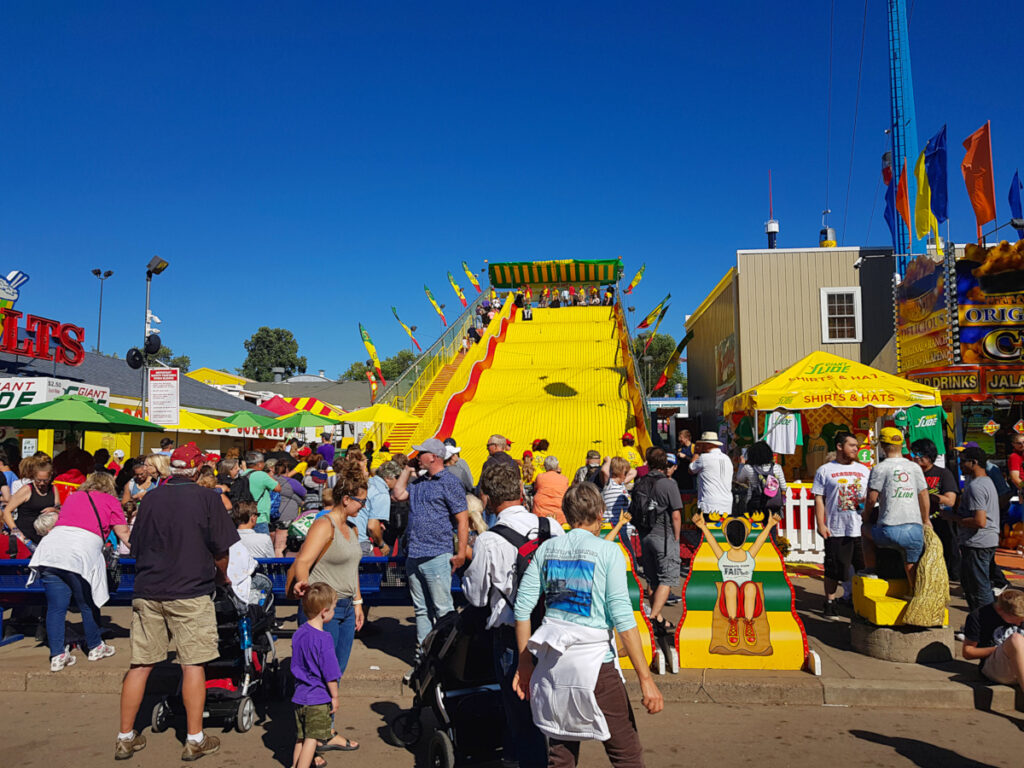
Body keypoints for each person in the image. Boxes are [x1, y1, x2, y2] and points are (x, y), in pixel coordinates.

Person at [512, 483, 663, 767]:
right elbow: (623, 620)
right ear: (600, 513)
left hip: (551, 664)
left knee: (561, 752)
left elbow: (522, 608)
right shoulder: (609, 552)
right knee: (626, 753)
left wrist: (524, 664)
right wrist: (646, 680)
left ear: (567, 514)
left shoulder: (547, 550)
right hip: (597, 668)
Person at [116, 443, 238, 761]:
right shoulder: (207, 499)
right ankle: (194, 739)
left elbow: (135, 545)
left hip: (148, 588)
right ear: (198, 470)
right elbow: (222, 551)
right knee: (192, 663)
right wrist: (220, 576)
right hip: (190, 591)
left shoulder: (151, 498)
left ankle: (125, 736)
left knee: (141, 664)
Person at [462, 460, 564, 768]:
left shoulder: (489, 540)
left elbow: (478, 597)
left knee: (522, 716)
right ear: (522, 490)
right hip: (555, 630)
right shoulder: (552, 528)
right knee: (554, 710)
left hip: (511, 638)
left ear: (486, 499)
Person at [289, 459, 366, 753]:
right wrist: (306, 590)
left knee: (334, 673)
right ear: (346, 499)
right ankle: (311, 740)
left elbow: (352, 569)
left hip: (345, 608)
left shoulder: (353, 528)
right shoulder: (324, 524)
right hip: (324, 610)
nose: (362, 506)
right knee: (317, 678)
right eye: (360, 501)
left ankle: (325, 732)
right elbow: (303, 563)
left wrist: (358, 603)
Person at [27, 472, 129, 670]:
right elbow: (123, 533)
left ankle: (57, 655)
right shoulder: (110, 500)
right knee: (86, 603)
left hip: (51, 549)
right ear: (109, 486)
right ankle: (95, 646)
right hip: (81, 551)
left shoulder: (73, 497)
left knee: (56, 608)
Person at [391, 438, 469, 654]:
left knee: (443, 609)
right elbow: (398, 494)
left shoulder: (450, 483)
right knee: (421, 610)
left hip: (436, 553)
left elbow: (463, 520)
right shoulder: (418, 484)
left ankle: (446, 657)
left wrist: (461, 552)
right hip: (415, 554)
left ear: (433, 456)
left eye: (420, 453)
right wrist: (407, 469)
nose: (416, 457)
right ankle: (424, 658)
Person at [692, 512, 781, 647]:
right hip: (729, 601)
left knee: (750, 586)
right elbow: (712, 542)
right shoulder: (724, 557)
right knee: (730, 586)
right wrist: (703, 527)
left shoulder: (748, 556)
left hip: (748, 602)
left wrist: (769, 525)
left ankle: (748, 624)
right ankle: (733, 623)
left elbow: (759, 541)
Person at [862, 428, 930, 591]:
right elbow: (924, 495)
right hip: (914, 530)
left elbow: (871, 499)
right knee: (911, 563)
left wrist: (865, 515)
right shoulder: (914, 467)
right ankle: (916, 595)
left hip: (889, 530)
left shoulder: (880, 468)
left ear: (883, 446)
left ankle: (870, 570)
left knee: (864, 530)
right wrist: (926, 520)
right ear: (902, 445)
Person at [812, 432, 871, 617]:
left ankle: (861, 603)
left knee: (864, 569)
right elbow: (819, 498)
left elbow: (871, 496)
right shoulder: (825, 470)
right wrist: (821, 524)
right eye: (852, 445)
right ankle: (830, 602)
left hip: (860, 527)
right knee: (834, 568)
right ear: (839, 446)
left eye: (857, 446)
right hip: (836, 528)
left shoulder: (864, 470)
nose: (856, 448)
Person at [291, 583, 343, 768]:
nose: (334, 613)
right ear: (324, 611)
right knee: (312, 739)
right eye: (334, 609)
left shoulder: (298, 633)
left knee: (301, 738)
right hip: (318, 697)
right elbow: (330, 674)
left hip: (300, 696)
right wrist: (335, 696)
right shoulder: (324, 639)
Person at [635, 448, 683, 636]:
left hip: (645, 536)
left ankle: (659, 619)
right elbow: (676, 515)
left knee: (653, 579)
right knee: (668, 578)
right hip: (664, 536)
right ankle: (653, 617)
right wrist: (677, 538)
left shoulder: (640, 482)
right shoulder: (668, 484)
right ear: (665, 464)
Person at [952, 445, 1000, 615]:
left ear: (974, 462)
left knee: (979, 588)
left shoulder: (976, 487)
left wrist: (954, 518)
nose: (960, 466)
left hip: (978, 543)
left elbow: (979, 521)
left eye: (963, 462)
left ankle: (985, 627)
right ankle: (978, 624)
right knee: (973, 586)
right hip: (983, 541)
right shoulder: (985, 482)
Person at [910, 438, 960, 582]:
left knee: (947, 557)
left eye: (920, 454)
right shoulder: (910, 474)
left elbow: (950, 500)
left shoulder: (943, 474)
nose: (917, 457)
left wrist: (927, 496)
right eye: (914, 454)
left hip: (939, 523)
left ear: (930, 456)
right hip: (915, 524)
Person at [962, 588, 1024, 690]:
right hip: (996, 666)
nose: (1019, 623)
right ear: (1000, 610)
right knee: (1015, 639)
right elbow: (967, 652)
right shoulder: (979, 617)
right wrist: (1005, 649)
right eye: (1016, 619)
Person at [3, 459, 57, 546]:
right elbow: (7, 512)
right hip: (26, 538)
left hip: (46, 537)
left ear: (50, 477)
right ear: (33, 477)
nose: (42, 483)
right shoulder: (27, 490)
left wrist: (54, 510)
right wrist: (16, 531)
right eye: (38, 480)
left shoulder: (53, 489)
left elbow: (59, 509)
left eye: (45, 480)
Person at [689, 431, 733, 519]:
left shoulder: (704, 458)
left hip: (709, 504)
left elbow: (691, 469)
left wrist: (696, 453)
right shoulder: (727, 458)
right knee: (721, 531)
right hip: (726, 505)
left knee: (707, 531)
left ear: (707, 444)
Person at [734, 440, 787, 512]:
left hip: (754, 504)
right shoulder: (777, 467)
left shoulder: (748, 468)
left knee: (755, 523)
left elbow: (740, 479)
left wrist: (742, 464)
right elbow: (784, 487)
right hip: (773, 504)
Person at [359, 461, 397, 556]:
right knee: (372, 570)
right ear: (388, 478)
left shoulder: (369, 482)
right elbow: (372, 526)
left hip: (347, 537)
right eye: (397, 477)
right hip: (360, 542)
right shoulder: (382, 492)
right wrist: (382, 545)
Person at [239, 451, 281, 535]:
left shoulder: (242, 474)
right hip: (259, 517)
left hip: (245, 516)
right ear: (259, 464)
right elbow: (278, 488)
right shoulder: (261, 475)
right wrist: (268, 474)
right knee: (262, 545)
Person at [532, 455, 569, 524]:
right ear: (557, 466)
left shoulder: (540, 477)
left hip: (541, 513)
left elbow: (535, 488)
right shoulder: (564, 479)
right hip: (560, 514)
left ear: (545, 466)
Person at [601, 456, 636, 525]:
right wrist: (608, 460)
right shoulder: (609, 484)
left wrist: (625, 469)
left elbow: (634, 472)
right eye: (625, 472)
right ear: (618, 471)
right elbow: (604, 470)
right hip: (611, 524)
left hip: (623, 524)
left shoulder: (622, 484)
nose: (627, 474)